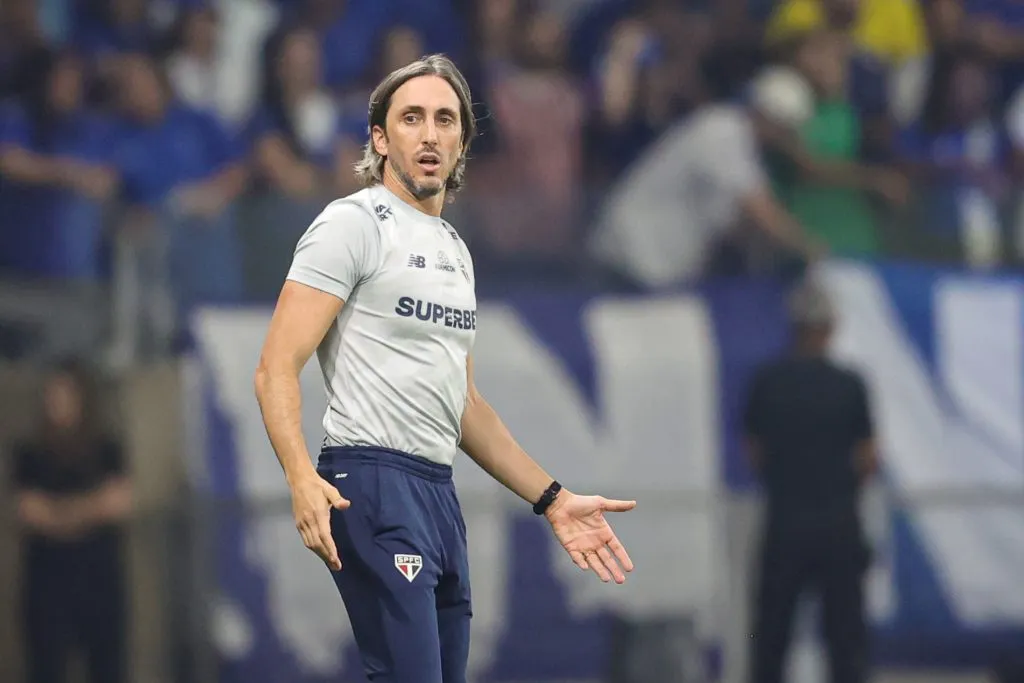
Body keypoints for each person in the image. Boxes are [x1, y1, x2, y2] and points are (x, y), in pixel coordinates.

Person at [253, 54, 637, 683]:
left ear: (461, 142)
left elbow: (464, 407)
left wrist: (554, 499)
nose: (429, 134)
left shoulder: (455, 251)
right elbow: (274, 369)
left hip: (437, 491)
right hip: (372, 480)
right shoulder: (351, 224)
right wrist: (300, 477)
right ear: (380, 139)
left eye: (444, 120)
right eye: (411, 118)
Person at [742, 278, 878, 683]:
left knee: (771, 635)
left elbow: (754, 451)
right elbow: (868, 458)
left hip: (785, 524)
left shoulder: (768, 381)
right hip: (839, 525)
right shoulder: (850, 384)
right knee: (845, 639)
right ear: (831, 327)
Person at [11, 358, 132, 683]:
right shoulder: (30, 454)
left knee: (107, 670)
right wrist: (88, 510)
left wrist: (60, 514)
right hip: (47, 588)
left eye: (64, 393)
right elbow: (30, 512)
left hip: (99, 585)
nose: (56, 401)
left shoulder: (107, 449)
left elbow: (118, 503)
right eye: (52, 393)